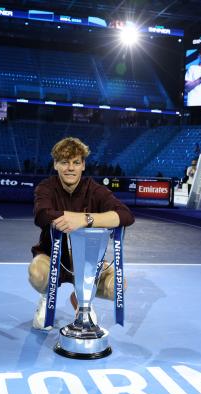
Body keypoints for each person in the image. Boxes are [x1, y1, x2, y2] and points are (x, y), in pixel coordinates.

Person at [28, 137, 135, 330]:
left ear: (83, 165)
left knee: (117, 287)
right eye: (64, 162)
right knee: (37, 273)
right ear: (55, 164)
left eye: (76, 162)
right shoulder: (46, 187)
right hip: (53, 259)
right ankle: (47, 297)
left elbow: (125, 215)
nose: (70, 168)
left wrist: (85, 219)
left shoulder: (95, 190)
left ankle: (82, 300)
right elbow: (42, 215)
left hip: (88, 262)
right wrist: (73, 218)